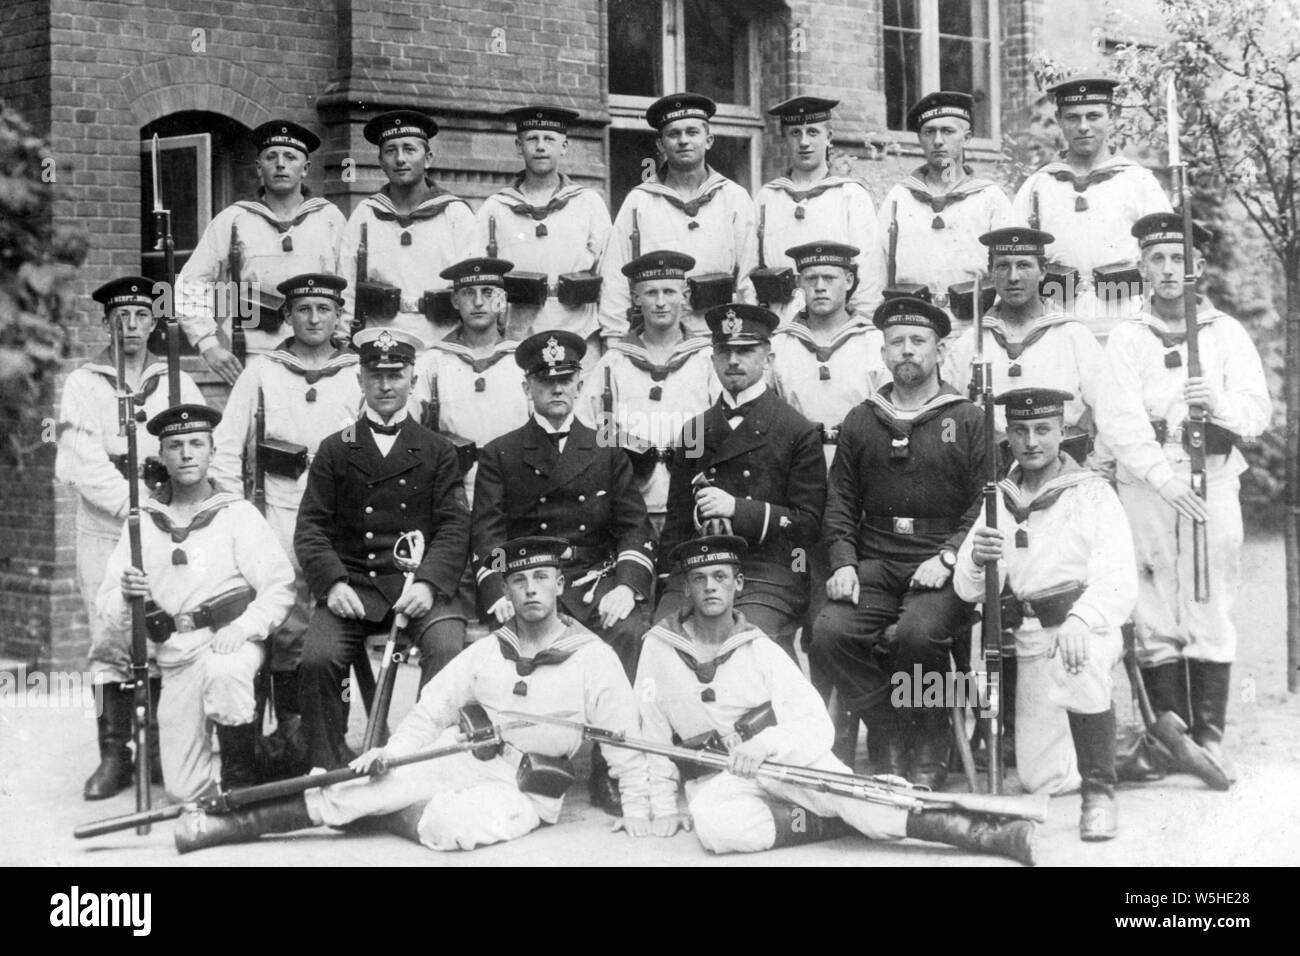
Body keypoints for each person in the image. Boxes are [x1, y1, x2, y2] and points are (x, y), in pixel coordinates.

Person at [173, 536, 652, 854]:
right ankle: (227, 826)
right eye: (520, 581)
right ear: (506, 589)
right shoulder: (489, 650)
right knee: (353, 784)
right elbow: (431, 710)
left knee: (452, 828)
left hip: (528, 785)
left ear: (559, 584)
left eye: (542, 578)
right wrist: (392, 755)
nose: (531, 591)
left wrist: (642, 807)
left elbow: (624, 740)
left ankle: (381, 812)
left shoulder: (591, 656)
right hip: (469, 757)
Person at [632, 534, 1035, 864]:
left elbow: (815, 725)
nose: (709, 587)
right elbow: (647, 733)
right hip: (721, 777)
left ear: (738, 585)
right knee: (717, 829)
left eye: (720, 576)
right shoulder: (659, 648)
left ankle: (982, 834)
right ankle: (842, 819)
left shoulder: (760, 648)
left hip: (781, 762)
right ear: (686, 587)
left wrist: (766, 744)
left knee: (850, 794)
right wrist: (658, 806)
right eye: (699, 579)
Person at [1096, 211, 1271, 788]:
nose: (1169, 270)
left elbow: (1256, 415)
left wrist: (1214, 398)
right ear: (1142, 267)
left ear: (1196, 266)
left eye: (1179, 259)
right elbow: (1118, 420)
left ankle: (1208, 737)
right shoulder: (1127, 336)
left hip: (1211, 477)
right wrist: (1160, 477)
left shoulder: (1225, 333)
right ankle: (1171, 735)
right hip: (1149, 482)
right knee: (1152, 601)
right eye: (1158, 259)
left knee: (1210, 594)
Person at [471, 330, 656, 812]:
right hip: (529, 585)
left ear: (580, 385)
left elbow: (634, 529)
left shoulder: (608, 450)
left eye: (566, 379)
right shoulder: (500, 454)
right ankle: (516, 761)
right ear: (527, 388)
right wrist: (498, 592)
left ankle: (610, 769)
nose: (557, 389)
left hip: (592, 584)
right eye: (544, 380)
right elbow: (487, 536)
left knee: (630, 631)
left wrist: (628, 587)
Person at [811, 297, 985, 789]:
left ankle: (931, 743)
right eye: (897, 343)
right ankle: (889, 728)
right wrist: (843, 561)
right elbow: (840, 499)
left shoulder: (966, 417)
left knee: (917, 635)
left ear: (939, 350)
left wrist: (950, 556)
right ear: (883, 352)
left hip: (941, 562)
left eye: (918, 342)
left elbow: (983, 503)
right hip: (878, 558)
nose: (907, 352)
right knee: (830, 631)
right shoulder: (863, 419)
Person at [953, 388, 1137, 840]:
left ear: (1062, 433)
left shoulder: (1091, 493)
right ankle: (1129, 749)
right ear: (1007, 437)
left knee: (1083, 658)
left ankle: (1100, 792)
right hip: (1031, 640)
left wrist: (1080, 620)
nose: (1031, 441)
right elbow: (965, 587)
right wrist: (977, 559)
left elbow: (1118, 576)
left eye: (1042, 430)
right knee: (1043, 778)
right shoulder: (999, 498)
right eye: (1020, 430)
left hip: (1086, 626)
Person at [95, 404, 296, 801]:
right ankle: (263, 764)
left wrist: (243, 628)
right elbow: (108, 607)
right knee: (184, 791)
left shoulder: (236, 514)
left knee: (226, 673)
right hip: (176, 655)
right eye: (175, 445)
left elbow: (279, 587)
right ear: (163, 456)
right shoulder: (143, 522)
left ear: (210, 451)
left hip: (228, 640)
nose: (186, 453)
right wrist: (126, 592)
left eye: (195, 443)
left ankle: (240, 781)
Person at [295, 327, 471, 770]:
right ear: (360, 380)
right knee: (318, 659)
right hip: (355, 586)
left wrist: (430, 583)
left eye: (396, 375)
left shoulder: (437, 450)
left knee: (448, 649)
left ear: (413, 378)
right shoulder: (336, 449)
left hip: (419, 588)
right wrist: (333, 583)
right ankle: (328, 765)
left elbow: (454, 526)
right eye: (376, 376)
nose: (386, 385)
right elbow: (312, 527)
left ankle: (425, 759)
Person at [57, 277, 206, 799]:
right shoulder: (84, 383)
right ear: (107, 324)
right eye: (122, 318)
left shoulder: (175, 380)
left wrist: (163, 507)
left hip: (163, 524)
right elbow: (79, 462)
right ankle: (113, 753)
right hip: (107, 525)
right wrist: (131, 504)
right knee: (110, 634)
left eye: (142, 316)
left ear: (154, 321)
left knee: (162, 627)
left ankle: (161, 747)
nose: (133, 327)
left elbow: (196, 445)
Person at [210, 273, 362, 724]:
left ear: (339, 316)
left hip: (342, 518)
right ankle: (290, 730)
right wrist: (239, 521)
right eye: (303, 309)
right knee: (286, 621)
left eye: (323, 309)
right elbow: (225, 449)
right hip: (278, 514)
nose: (314, 318)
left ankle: (329, 725)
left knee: (335, 622)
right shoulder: (261, 371)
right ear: (288, 316)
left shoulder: (358, 372)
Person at [657, 304, 825, 660]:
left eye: (745, 350)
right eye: (724, 351)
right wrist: (667, 583)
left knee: (745, 645)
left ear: (768, 358)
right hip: (700, 565)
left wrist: (738, 509)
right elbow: (676, 524)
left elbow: (808, 524)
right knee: (662, 640)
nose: (733, 360)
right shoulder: (696, 430)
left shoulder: (797, 430)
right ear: (713, 359)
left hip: (769, 568)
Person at [178, 120, 347, 385]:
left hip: (319, 355)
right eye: (271, 157)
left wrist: (343, 338)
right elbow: (189, 284)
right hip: (252, 354)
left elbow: (349, 287)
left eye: (290, 157)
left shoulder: (329, 218)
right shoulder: (234, 219)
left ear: (305, 168)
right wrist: (207, 343)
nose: (280, 163)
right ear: (259, 167)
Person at [1012, 75, 1172, 336]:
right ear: (1060, 121)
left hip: (1124, 323)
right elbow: (1014, 258)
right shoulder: (1038, 186)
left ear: (1112, 117)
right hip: (1057, 324)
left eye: (1094, 116)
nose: (1083, 126)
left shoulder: (1138, 181)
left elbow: (1165, 254)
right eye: (1073, 117)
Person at [576, 250, 720, 534]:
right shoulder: (614, 362)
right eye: (651, 293)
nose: (661, 302)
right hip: (630, 504)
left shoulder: (707, 360)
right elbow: (584, 428)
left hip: (692, 503)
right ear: (636, 298)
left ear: (686, 296)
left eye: (669, 291)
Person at [598, 93, 758, 342]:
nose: (683, 140)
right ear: (661, 145)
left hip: (719, 335)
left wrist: (747, 334)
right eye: (673, 134)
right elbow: (616, 277)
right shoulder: (640, 201)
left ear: (709, 140)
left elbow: (749, 272)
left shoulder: (734, 198)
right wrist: (615, 338)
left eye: (692, 132)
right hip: (655, 339)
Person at [943, 227, 1107, 468]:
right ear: (991, 272)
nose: (1013, 277)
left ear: (1043, 272)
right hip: (990, 474)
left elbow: (1108, 410)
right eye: (1002, 266)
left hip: (1064, 471)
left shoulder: (1074, 336)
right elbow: (947, 420)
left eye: (1023, 265)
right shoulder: (969, 343)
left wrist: (1094, 468)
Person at [472, 106, 612, 355]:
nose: (540, 146)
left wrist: (609, 335)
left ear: (564, 147)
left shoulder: (588, 203)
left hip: (581, 333)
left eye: (549, 139)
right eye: (532, 139)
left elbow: (608, 274)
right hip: (519, 336)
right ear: (518, 146)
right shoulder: (496, 208)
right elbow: (479, 275)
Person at [877, 92, 1012, 337]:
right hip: (914, 324)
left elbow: (1010, 268)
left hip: (975, 327)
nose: (938, 140)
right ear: (920, 138)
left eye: (948, 131)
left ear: (967, 137)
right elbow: (876, 267)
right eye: (929, 132)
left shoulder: (989, 198)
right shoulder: (899, 198)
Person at [339, 110, 475, 349]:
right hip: (380, 340)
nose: (400, 159)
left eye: (409, 149)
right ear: (381, 161)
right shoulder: (366, 214)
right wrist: (343, 337)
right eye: (391, 151)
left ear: (428, 158)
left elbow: (472, 284)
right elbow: (347, 284)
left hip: (441, 339)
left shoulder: (455, 213)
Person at [411, 257, 530, 509]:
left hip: (516, 485)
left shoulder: (524, 360)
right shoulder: (432, 362)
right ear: (455, 301)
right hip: (452, 487)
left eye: (488, 293)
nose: (478, 302)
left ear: (501, 299)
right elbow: (409, 430)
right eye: (468, 293)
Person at [753, 97, 884, 323]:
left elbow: (869, 273)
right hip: (779, 322)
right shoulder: (768, 197)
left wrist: (859, 325)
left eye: (812, 132)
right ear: (784, 138)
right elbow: (750, 270)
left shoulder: (850, 195)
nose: (804, 142)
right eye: (795, 133)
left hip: (837, 324)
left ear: (829, 137)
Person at [770, 241, 888, 467]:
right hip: (797, 464)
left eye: (829, 278)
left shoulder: (874, 341)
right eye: (811, 279)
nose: (820, 287)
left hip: (861, 461)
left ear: (849, 281)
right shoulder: (779, 345)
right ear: (798, 284)